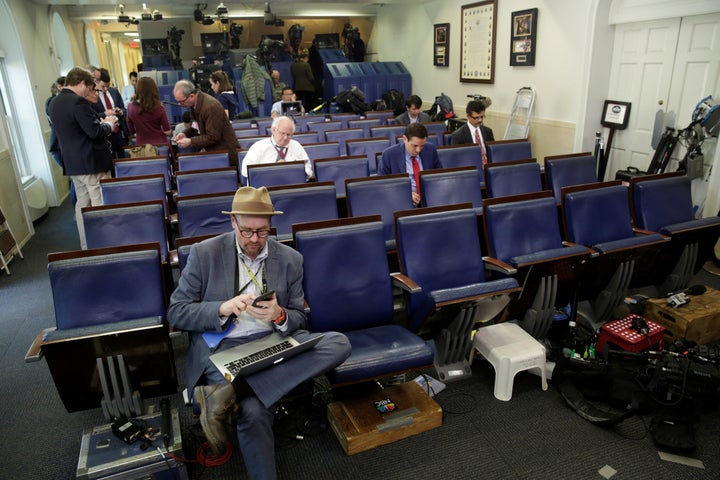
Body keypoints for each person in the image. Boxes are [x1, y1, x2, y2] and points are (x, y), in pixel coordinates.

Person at [167, 186, 351, 479]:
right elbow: (176, 312)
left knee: (338, 343)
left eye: (262, 232)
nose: (255, 240)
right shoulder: (204, 254)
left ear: (270, 226)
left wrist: (279, 316)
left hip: (273, 342)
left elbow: (299, 319)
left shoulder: (290, 259)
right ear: (233, 223)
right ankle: (232, 394)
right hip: (224, 349)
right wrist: (221, 308)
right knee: (252, 411)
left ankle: (228, 393)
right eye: (247, 231)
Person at [49, 67, 117, 249]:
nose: (90, 92)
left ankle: (87, 245)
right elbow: (94, 132)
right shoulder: (78, 103)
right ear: (81, 83)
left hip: (73, 164)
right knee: (99, 204)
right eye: (89, 87)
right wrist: (109, 125)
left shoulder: (54, 103)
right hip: (91, 163)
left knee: (82, 205)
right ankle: (104, 245)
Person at [173, 79, 240, 167]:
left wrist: (190, 141)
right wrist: (185, 134)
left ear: (192, 96)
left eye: (182, 101)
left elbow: (213, 137)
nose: (180, 104)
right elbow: (195, 127)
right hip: (216, 155)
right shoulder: (195, 105)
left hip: (225, 156)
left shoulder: (210, 107)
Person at [378, 123, 441, 206]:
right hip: (401, 201)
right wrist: (405, 194)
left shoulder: (430, 149)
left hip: (429, 198)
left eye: (422, 146)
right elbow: (382, 185)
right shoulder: (389, 155)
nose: (418, 150)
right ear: (405, 139)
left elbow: (439, 176)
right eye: (415, 146)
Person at [241, 116, 313, 181]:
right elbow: (245, 171)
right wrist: (273, 171)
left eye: (288, 135)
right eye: (283, 133)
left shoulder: (296, 146)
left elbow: (308, 170)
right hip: (264, 188)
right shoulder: (258, 147)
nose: (285, 138)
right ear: (273, 130)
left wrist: (292, 170)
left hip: (290, 186)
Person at [126, 76, 171, 146]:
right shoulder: (159, 108)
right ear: (154, 90)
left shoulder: (130, 107)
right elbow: (168, 131)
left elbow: (131, 130)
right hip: (160, 146)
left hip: (142, 147)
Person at [94, 68, 128, 158]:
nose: (105, 89)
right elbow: (93, 115)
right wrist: (105, 114)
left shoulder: (114, 92)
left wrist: (120, 111)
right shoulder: (93, 97)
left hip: (119, 131)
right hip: (106, 134)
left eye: (107, 86)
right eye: (103, 86)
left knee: (124, 157)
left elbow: (123, 108)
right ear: (97, 83)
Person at [450, 100, 494, 166]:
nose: (480, 120)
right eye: (476, 118)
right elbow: (457, 160)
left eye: (482, 117)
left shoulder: (488, 131)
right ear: (468, 116)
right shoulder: (458, 136)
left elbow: (493, 153)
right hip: (471, 168)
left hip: (488, 166)